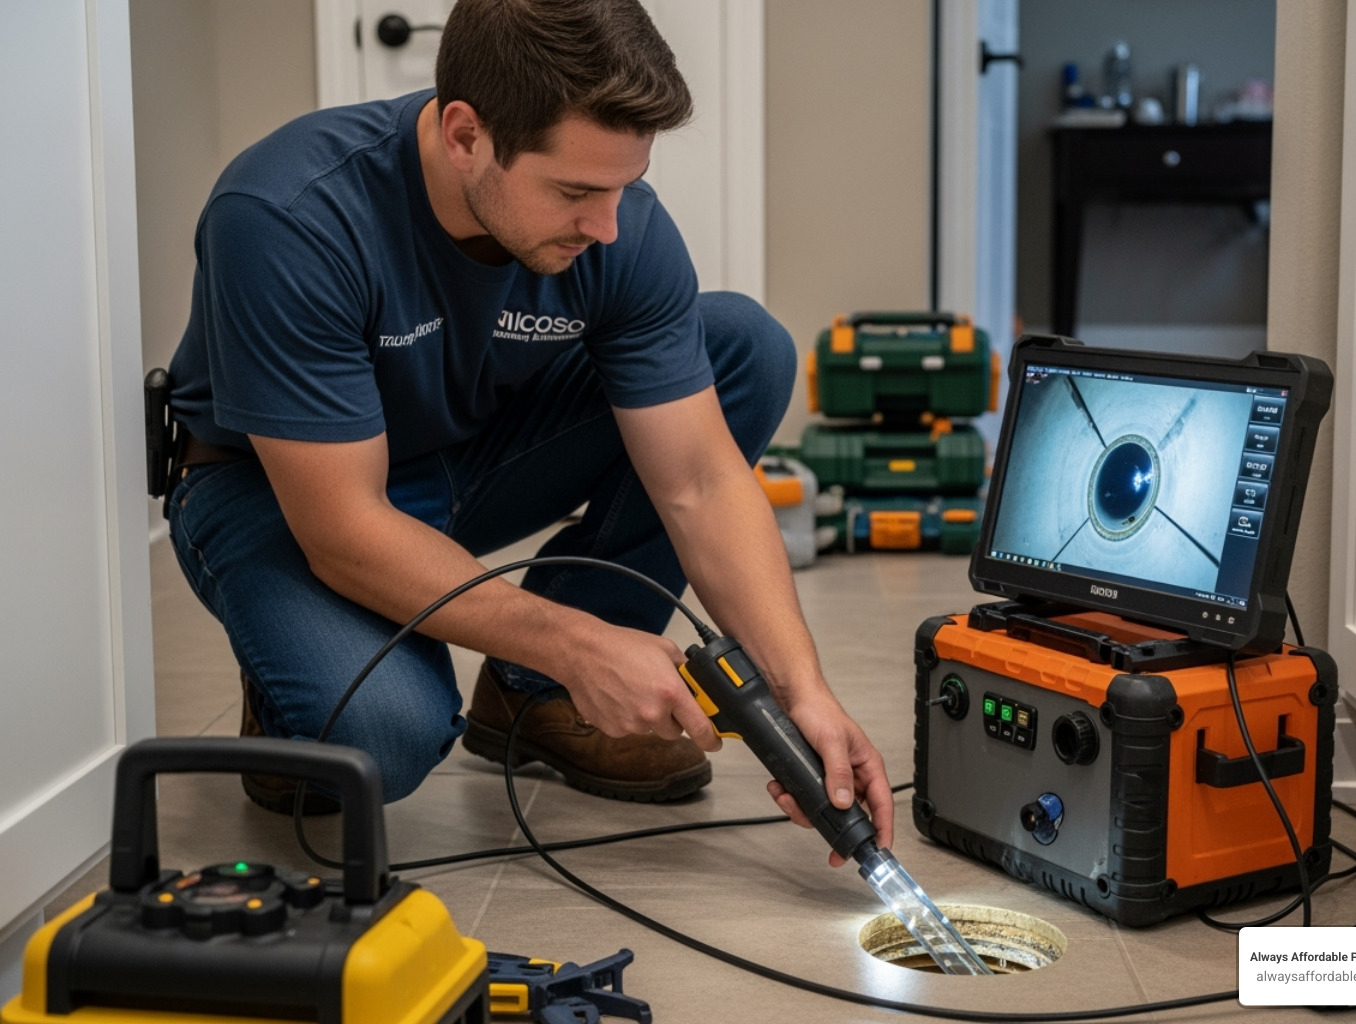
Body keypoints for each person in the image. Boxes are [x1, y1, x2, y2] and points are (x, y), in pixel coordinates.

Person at [163, 0, 892, 863]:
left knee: (743, 347)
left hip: (458, 455)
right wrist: (583, 644)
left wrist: (800, 688)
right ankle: (291, 673)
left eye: (623, 186)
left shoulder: (618, 229)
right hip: (281, 494)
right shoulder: (287, 216)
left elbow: (699, 480)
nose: (608, 226)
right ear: (466, 133)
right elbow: (345, 530)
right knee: (382, 739)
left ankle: (534, 695)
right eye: (577, 191)